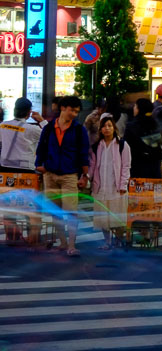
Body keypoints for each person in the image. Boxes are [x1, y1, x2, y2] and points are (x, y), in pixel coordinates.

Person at [34, 95, 91, 256]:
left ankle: (72, 245)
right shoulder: (49, 128)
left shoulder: (79, 130)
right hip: (50, 174)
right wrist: (39, 165)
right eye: (72, 110)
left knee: (71, 211)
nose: (74, 114)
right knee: (55, 211)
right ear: (63, 108)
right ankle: (63, 242)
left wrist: (84, 175)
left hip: (70, 176)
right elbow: (41, 147)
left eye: (76, 111)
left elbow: (83, 154)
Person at [90, 113, 130, 251]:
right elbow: (93, 165)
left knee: (117, 217)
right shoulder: (96, 146)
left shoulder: (122, 145)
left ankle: (118, 241)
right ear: (100, 129)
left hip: (117, 188)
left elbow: (126, 166)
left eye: (109, 126)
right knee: (103, 218)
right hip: (101, 188)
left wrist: (123, 184)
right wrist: (87, 178)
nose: (107, 128)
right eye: (104, 126)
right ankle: (107, 242)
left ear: (114, 128)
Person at [0, 97, 43, 172]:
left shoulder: (3, 125)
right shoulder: (32, 129)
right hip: (25, 168)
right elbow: (51, 135)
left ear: (14, 110)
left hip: (4, 166)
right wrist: (42, 120)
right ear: (29, 112)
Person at [126, 99, 162, 179]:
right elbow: (158, 147)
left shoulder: (131, 126)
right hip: (154, 167)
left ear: (139, 109)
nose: (134, 108)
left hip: (137, 166)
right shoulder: (155, 125)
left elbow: (127, 148)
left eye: (135, 106)